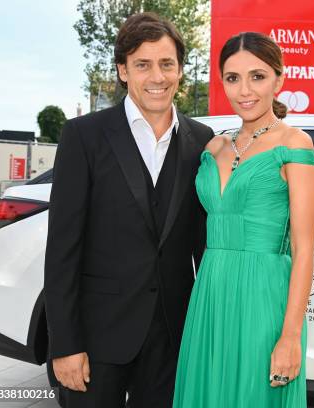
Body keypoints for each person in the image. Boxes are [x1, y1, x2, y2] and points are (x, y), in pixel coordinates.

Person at [44, 12, 213, 408]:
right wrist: (65, 345)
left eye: (167, 64)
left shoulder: (202, 141)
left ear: (180, 70)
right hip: (96, 338)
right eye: (143, 64)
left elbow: (203, 247)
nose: (157, 76)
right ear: (123, 71)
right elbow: (63, 251)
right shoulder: (84, 136)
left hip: (172, 338)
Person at [173, 32, 314, 408]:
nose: (244, 90)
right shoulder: (213, 147)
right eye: (232, 78)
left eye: (257, 76)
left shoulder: (295, 144)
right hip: (210, 295)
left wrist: (290, 336)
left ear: (279, 80)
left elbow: (305, 250)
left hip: (263, 298)